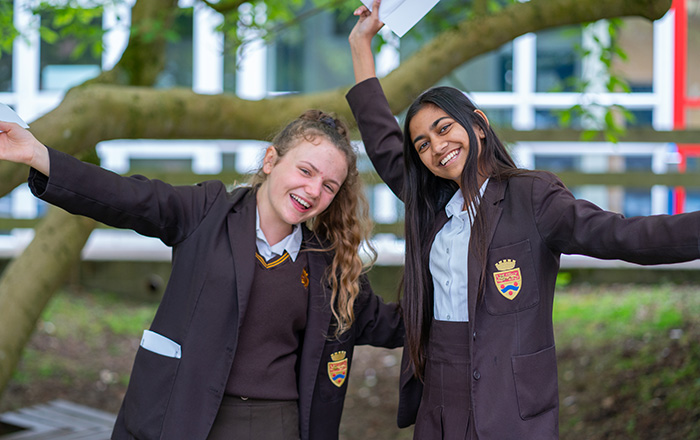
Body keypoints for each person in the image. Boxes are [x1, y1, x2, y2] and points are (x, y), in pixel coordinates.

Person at [347, 2, 700, 439]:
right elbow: (381, 137)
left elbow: (623, 236)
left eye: (443, 129)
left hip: (511, 404)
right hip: (439, 398)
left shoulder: (531, 196)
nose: (436, 147)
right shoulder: (431, 204)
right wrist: (362, 43)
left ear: (477, 125)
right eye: (422, 144)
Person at [0, 110, 403, 440]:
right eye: (305, 170)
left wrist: (456, 267)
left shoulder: (331, 266)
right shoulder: (206, 211)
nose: (314, 190)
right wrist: (38, 155)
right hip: (186, 415)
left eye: (329, 185)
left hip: (275, 426)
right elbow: (124, 196)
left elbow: (392, 324)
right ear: (271, 160)